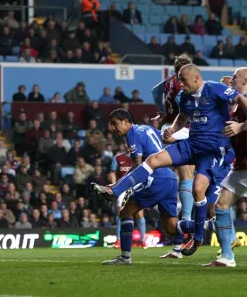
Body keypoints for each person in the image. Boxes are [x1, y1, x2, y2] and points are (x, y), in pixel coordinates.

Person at [92, 64, 247, 257]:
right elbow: (182, 117)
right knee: (154, 159)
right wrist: (173, 129)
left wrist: (241, 126)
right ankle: (114, 190)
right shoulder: (186, 97)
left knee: (199, 189)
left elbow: (241, 99)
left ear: (196, 79)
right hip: (192, 144)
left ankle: (197, 237)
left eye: (183, 80)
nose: (180, 84)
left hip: (214, 149)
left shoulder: (215, 88)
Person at [91, 109, 178, 264]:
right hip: (170, 177)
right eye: (111, 125)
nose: (113, 128)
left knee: (126, 212)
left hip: (155, 178)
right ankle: (203, 226)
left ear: (126, 121)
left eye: (115, 124)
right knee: (171, 227)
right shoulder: (148, 128)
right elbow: (170, 139)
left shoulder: (132, 133)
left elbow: (138, 165)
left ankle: (125, 257)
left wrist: (119, 185)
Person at [204, 67, 247, 267]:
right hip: (240, 165)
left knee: (221, 205)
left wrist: (240, 127)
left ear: (245, 81)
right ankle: (227, 257)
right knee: (221, 205)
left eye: (235, 79)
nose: (231, 81)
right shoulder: (237, 104)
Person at [151, 54, 195, 226]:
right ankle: (186, 218)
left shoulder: (170, 79)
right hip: (180, 129)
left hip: (168, 127)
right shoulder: (182, 85)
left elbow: (155, 91)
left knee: (172, 173)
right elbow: (184, 105)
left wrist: (162, 111)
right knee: (187, 174)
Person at [109, 143, 147, 249]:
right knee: (120, 212)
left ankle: (143, 240)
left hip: (137, 187)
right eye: (126, 143)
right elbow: (112, 172)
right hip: (123, 188)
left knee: (139, 214)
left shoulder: (140, 157)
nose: (128, 145)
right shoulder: (118, 158)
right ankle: (118, 240)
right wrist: (113, 184)